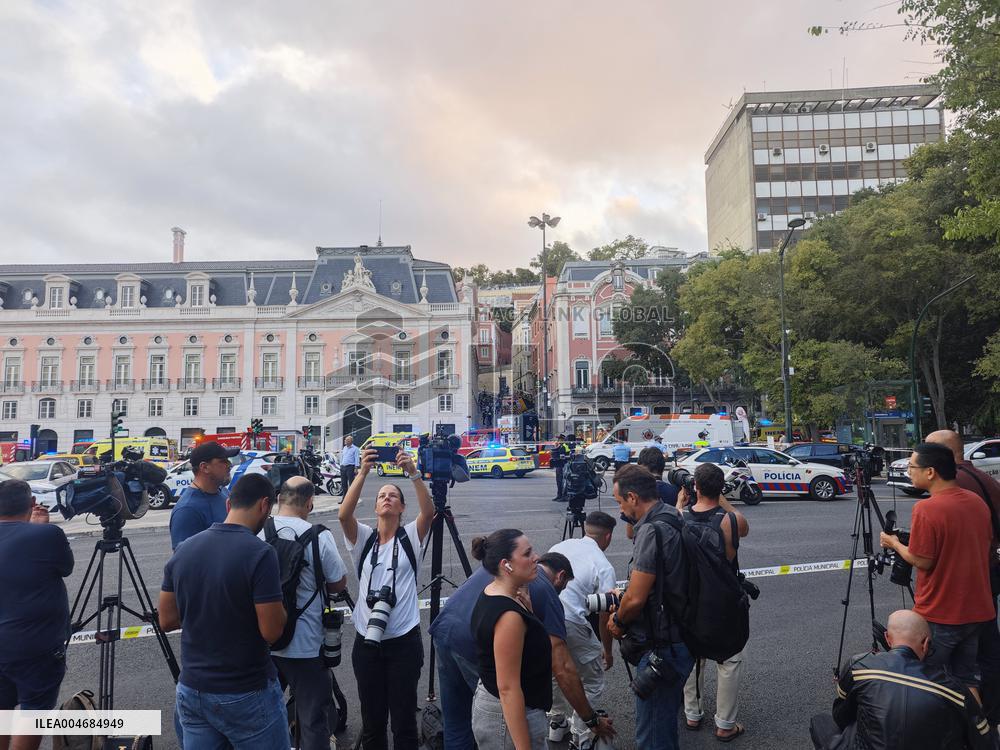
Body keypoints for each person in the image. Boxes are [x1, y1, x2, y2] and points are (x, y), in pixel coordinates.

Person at [430, 549, 614, 749]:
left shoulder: (502, 568)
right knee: (505, 716)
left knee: (456, 723)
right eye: (565, 585)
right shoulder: (547, 591)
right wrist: (590, 719)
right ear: (561, 576)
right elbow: (562, 667)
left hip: (444, 631)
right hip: (473, 650)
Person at [159, 473, 289, 750]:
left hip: (192, 689)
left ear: (229, 504)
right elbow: (272, 632)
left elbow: (167, 620)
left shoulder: (183, 550)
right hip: (245, 690)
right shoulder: (260, 553)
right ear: (265, 505)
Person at [879, 442, 995, 696]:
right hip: (977, 609)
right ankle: (977, 730)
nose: (909, 471)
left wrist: (894, 543)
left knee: (927, 678)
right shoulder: (976, 502)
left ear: (930, 472)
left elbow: (922, 561)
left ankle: (938, 734)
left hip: (942, 611)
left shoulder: (927, 508)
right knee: (967, 676)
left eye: (912, 467)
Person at [338, 446, 434, 750]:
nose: (387, 497)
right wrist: (362, 472)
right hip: (367, 642)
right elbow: (343, 514)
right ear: (376, 506)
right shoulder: (363, 539)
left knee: (404, 721)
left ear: (402, 507)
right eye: (382, 495)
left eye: (393, 495)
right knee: (372, 721)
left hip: (404, 641)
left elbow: (429, 513)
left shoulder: (410, 537)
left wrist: (413, 474)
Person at [810, 609, 994, 750]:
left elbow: (841, 716)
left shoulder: (859, 666)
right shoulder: (954, 689)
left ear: (888, 639)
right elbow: (984, 740)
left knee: (820, 722)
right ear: (926, 644)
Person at [608, 464, 694, 750]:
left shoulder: (651, 531)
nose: (620, 510)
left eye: (620, 501)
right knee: (664, 722)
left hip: (662, 646)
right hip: (680, 636)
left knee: (653, 735)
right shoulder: (672, 515)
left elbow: (635, 598)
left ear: (633, 497)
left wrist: (617, 622)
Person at [261, 476, 348, 750]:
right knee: (313, 720)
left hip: (266, 641)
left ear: (278, 500)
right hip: (307, 647)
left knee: (262, 715)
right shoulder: (319, 536)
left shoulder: (260, 532)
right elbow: (338, 582)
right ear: (310, 503)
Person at [928, 429, 1000, 726]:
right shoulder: (983, 478)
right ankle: (990, 714)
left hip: (967, 583)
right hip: (988, 573)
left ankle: (969, 721)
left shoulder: (958, 485)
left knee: (953, 659)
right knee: (988, 648)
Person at [677, 463, 750, 742]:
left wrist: (681, 501)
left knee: (694, 655)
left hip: (692, 600)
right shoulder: (731, 521)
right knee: (729, 658)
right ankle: (725, 724)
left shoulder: (680, 518)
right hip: (724, 600)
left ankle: (693, 714)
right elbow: (742, 525)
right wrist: (720, 498)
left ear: (695, 487)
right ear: (721, 489)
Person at [0, 480, 73, 750]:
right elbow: (65, 567)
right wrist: (38, 529)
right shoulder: (46, 535)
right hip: (36, 646)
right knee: (34, 711)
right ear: (31, 505)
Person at [547, 511, 619, 748]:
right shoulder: (603, 565)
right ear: (607, 537)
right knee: (593, 679)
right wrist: (606, 651)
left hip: (546, 615)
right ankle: (582, 734)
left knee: (555, 670)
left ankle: (556, 723)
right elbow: (605, 614)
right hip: (572, 620)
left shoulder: (562, 544)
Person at [169, 440, 239, 549]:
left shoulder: (223, 492)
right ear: (204, 467)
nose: (229, 465)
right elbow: (185, 561)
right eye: (223, 461)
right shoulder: (187, 510)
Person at [339, 435, 360, 501]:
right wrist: (340, 465)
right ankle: (344, 499)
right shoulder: (344, 448)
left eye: (346, 440)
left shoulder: (355, 449)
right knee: (343, 484)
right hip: (343, 467)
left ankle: (351, 499)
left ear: (350, 441)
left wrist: (356, 468)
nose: (345, 441)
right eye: (345, 440)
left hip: (350, 467)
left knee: (351, 484)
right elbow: (343, 457)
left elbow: (357, 458)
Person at [551, 435, 569, 502]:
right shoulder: (560, 446)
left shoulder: (565, 446)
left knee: (563, 482)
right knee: (559, 481)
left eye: (559, 439)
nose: (558, 441)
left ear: (563, 439)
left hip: (563, 466)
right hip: (559, 465)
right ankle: (559, 495)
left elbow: (565, 456)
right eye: (558, 439)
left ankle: (564, 496)